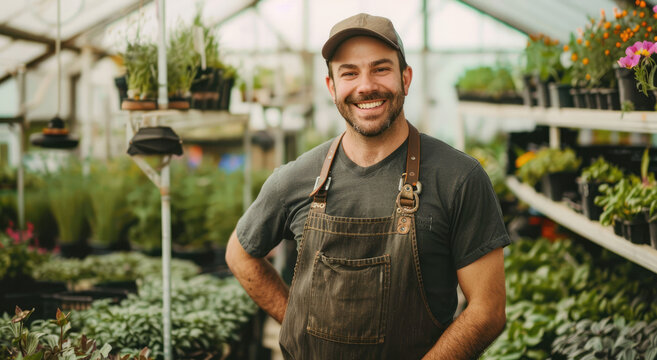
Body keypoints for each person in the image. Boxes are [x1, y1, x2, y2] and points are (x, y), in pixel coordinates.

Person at [226, 13, 509, 359]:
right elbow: (239, 253)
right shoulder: (297, 179)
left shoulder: (459, 178)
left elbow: (488, 311)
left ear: (406, 77)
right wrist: (294, 319)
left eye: (381, 69)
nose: (365, 86)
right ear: (331, 87)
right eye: (349, 72)